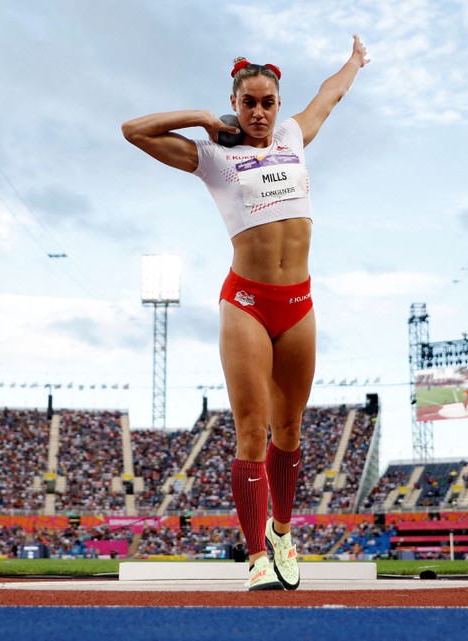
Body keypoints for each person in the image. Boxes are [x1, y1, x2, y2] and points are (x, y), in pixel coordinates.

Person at [122, 36, 369, 591]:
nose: (259, 113)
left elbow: (331, 95)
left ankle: (283, 531)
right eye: (249, 102)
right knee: (252, 430)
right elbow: (133, 131)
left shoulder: (293, 136)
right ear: (235, 103)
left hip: (299, 303)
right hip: (248, 304)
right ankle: (256, 554)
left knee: (290, 429)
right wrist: (202, 120)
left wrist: (354, 61)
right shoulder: (215, 157)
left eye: (268, 102)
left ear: (279, 104)